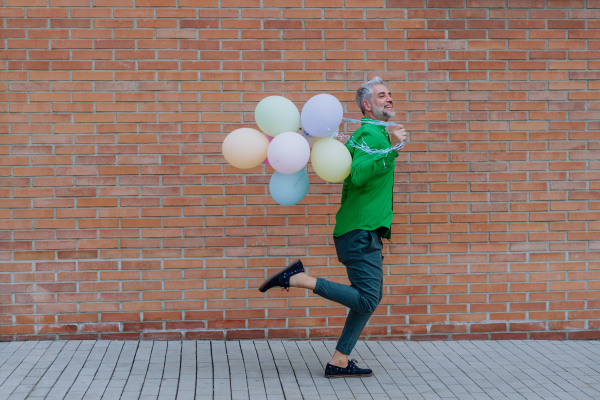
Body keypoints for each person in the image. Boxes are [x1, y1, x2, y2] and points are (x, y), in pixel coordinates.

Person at [259, 77, 407, 378]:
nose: (389, 99)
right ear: (366, 105)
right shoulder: (370, 134)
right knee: (368, 298)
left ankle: (339, 360)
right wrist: (392, 148)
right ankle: (300, 279)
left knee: (367, 299)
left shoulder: (372, 134)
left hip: (363, 229)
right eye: (381, 96)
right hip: (359, 230)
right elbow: (359, 176)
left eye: (389, 94)